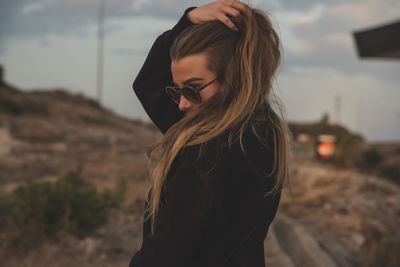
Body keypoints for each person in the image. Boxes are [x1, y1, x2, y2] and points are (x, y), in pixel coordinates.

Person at [129, 1, 290, 266]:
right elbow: (150, 83)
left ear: (234, 78)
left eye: (192, 89)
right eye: (177, 90)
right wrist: (188, 23)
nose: (181, 104)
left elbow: (166, 256)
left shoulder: (207, 151)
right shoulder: (264, 130)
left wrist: (187, 22)